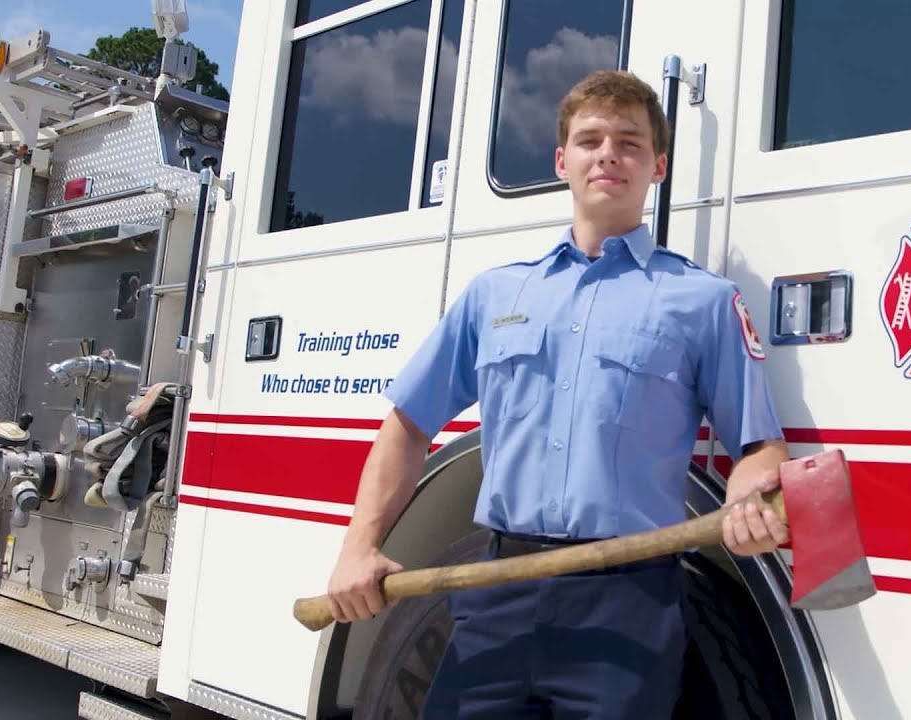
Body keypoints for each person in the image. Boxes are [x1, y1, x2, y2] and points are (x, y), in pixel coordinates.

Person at [326, 70, 790, 718]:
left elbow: (761, 447)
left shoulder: (703, 303)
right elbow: (406, 425)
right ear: (561, 161)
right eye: (590, 139)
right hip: (493, 595)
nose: (608, 153)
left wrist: (751, 493)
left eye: (629, 142)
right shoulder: (495, 296)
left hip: (629, 609)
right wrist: (359, 545)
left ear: (657, 166)